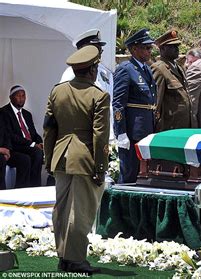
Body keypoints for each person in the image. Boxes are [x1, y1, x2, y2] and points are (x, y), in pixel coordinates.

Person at [43, 45, 109, 275]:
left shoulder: (57, 91)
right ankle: (75, 259)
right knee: (80, 213)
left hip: (60, 157)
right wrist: (100, 168)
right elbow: (100, 137)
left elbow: (48, 130)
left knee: (61, 210)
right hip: (84, 159)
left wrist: (48, 159)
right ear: (92, 70)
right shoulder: (99, 96)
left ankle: (63, 256)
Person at [112, 28, 156, 183]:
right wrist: (121, 132)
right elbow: (118, 103)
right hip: (132, 132)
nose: (150, 51)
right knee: (130, 174)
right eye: (146, 48)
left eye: (150, 47)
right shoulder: (125, 69)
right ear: (134, 49)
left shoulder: (146, 69)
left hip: (146, 130)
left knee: (144, 175)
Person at [0, 85, 44, 187]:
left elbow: (33, 133)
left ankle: (35, 187)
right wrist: (32, 144)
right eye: (18, 96)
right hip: (14, 146)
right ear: (11, 97)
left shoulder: (27, 114)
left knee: (38, 152)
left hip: (27, 146)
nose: (21, 98)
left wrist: (40, 142)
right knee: (29, 156)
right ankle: (24, 190)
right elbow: (10, 135)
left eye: (23, 96)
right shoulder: (4, 112)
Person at [151, 29, 191, 131]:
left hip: (183, 124)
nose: (176, 49)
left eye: (177, 46)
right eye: (172, 46)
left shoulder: (178, 67)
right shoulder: (159, 68)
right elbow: (156, 102)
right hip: (170, 126)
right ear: (162, 48)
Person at [59, 29, 112, 94]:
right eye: (94, 49)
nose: (98, 53)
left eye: (99, 49)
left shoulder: (104, 72)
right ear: (81, 50)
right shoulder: (71, 73)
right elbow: (64, 97)